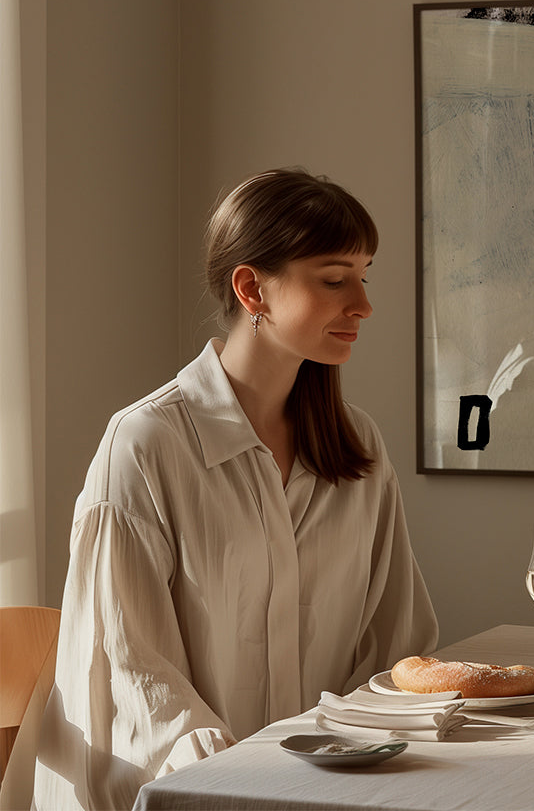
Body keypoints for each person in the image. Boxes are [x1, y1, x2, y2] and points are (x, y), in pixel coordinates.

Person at [32, 169, 438, 811]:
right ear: (252, 289)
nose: (362, 304)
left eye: (364, 276)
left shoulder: (357, 445)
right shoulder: (146, 445)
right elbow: (133, 677)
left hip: (336, 789)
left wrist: (353, 761)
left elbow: (396, 646)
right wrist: (244, 784)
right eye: (335, 280)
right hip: (195, 793)